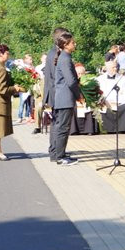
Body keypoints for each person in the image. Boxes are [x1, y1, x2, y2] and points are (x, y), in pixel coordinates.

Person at [0, 45, 23, 161]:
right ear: (1, 53)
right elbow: (1, 89)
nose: (8, 55)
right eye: (7, 53)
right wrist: (15, 88)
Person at [51, 30, 81, 166]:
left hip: (65, 98)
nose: (75, 44)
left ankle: (61, 153)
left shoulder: (65, 57)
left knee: (64, 127)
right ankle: (60, 156)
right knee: (63, 128)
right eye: (72, 42)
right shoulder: (65, 58)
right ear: (65, 45)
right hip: (65, 98)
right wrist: (78, 95)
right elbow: (71, 81)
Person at [43, 28, 70, 161]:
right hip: (56, 93)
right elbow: (56, 76)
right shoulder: (55, 54)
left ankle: (56, 151)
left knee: (56, 123)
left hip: (53, 91)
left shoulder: (53, 52)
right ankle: (56, 152)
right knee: (58, 124)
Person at [97, 60, 125, 133]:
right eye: (113, 67)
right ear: (107, 68)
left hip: (119, 102)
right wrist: (104, 101)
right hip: (105, 102)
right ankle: (106, 129)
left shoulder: (123, 78)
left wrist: (118, 101)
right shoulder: (100, 79)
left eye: (116, 67)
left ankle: (122, 129)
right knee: (101, 108)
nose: (115, 69)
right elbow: (98, 92)